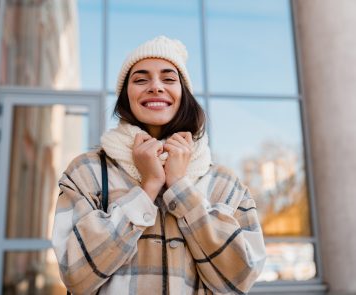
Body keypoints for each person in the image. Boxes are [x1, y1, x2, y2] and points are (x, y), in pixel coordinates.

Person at [52, 36, 266, 295]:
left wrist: (180, 187)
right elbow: (75, 276)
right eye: (141, 79)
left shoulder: (225, 183)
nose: (155, 87)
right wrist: (148, 187)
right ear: (125, 96)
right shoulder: (86, 172)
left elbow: (240, 278)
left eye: (168, 79)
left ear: (183, 94)